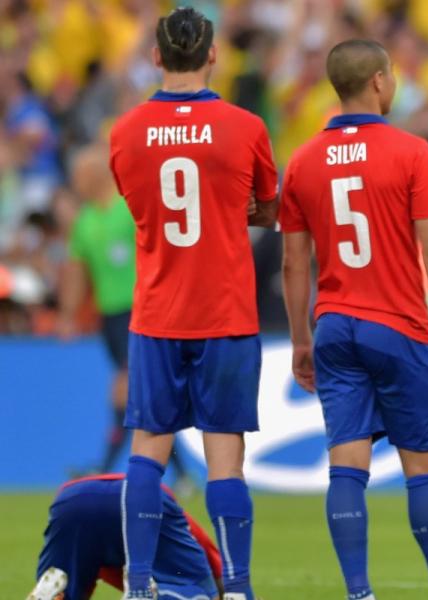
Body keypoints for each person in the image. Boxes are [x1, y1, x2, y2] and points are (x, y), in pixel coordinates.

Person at [279, 39, 428, 600]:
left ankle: (359, 593)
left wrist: (300, 339)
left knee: (346, 465)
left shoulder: (304, 159)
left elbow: (295, 260)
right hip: (396, 323)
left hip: (334, 326)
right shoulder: (411, 151)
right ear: (380, 82)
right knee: (423, 464)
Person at [107, 7, 278, 598]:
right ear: (212, 55)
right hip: (225, 312)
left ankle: (139, 583)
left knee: (147, 451)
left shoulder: (124, 132)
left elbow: (140, 207)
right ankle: (236, 586)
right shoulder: (245, 126)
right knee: (225, 458)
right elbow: (268, 207)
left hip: (157, 312)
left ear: (156, 56)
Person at [57, 146, 191, 487]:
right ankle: (182, 474)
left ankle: (103, 467)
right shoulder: (85, 221)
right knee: (140, 394)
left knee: (125, 387)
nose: (76, 183)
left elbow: (163, 253)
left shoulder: (129, 209)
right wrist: (68, 314)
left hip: (141, 310)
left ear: (96, 174)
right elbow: (77, 270)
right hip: (110, 317)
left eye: (79, 176)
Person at [27, 474, 221, 600]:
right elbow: (220, 576)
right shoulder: (181, 526)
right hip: (142, 500)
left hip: (71, 501)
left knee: (64, 585)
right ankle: (140, 592)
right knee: (199, 591)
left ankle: (50, 596)